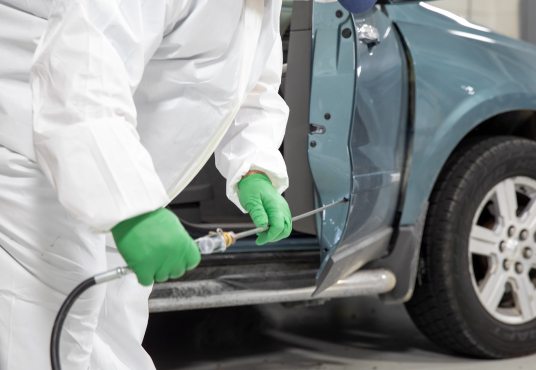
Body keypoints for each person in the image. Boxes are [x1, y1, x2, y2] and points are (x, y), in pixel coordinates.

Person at [0, 0, 293, 369]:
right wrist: (132, 209)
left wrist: (254, 165)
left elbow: (247, 79)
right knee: (50, 321)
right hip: (28, 142)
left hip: (109, 160)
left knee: (113, 316)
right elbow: (83, 72)